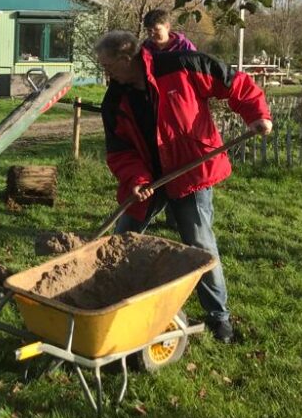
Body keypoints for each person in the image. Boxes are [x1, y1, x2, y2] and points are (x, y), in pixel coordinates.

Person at [96, 30, 272, 344]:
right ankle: (108, 300)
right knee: (122, 239)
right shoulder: (115, 99)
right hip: (148, 179)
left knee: (199, 244)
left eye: (108, 65)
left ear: (126, 59)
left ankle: (219, 317)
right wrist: (137, 180)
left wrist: (257, 115)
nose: (104, 71)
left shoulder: (182, 64)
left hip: (190, 171)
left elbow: (235, 83)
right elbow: (119, 151)